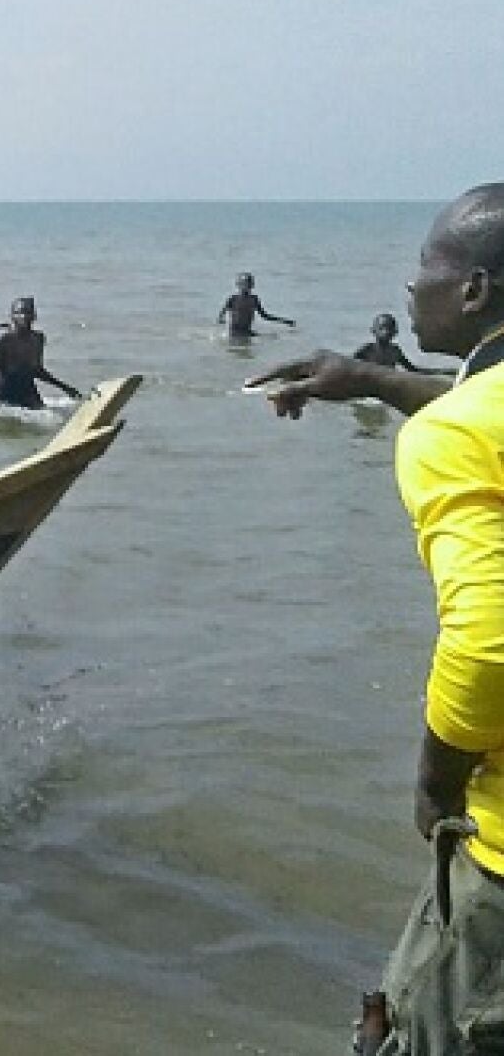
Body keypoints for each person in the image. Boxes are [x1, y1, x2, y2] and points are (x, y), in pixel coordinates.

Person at [244, 183, 504, 1056]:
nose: (408, 288)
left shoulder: (452, 437)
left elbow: (489, 640)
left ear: (472, 289)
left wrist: (436, 779)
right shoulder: (474, 412)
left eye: (426, 267)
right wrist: (362, 379)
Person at [0, 297, 81, 409]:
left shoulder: (38, 338)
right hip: (5, 392)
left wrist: (65, 388)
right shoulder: (3, 342)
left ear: (34, 316)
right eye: (18, 313)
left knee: (51, 418)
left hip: (27, 388)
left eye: (27, 312)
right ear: (12, 316)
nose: (23, 316)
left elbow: (37, 370)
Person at [356, 312, 454, 375]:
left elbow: (412, 369)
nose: (385, 332)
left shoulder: (395, 351)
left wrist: (442, 372)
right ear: (373, 331)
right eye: (381, 328)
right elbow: (349, 365)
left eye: (389, 328)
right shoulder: (367, 350)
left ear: (395, 332)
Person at [218, 272, 296, 339]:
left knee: (274, 337)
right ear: (238, 285)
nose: (245, 288)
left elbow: (265, 316)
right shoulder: (233, 299)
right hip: (234, 333)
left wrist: (285, 321)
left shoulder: (254, 299)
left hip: (247, 332)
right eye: (243, 285)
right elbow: (221, 315)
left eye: (248, 285)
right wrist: (221, 320)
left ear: (252, 286)